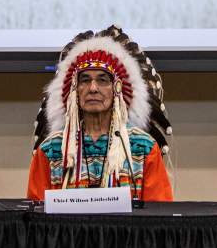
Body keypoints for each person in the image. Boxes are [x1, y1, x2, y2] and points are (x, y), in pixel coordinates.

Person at [27, 26, 173, 201]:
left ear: (117, 89)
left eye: (102, 80)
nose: (93, 88)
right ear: (74, 90)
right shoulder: (52, 150)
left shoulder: (142, 147)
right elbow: (35, 217)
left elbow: (158, 215)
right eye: (85, 80)